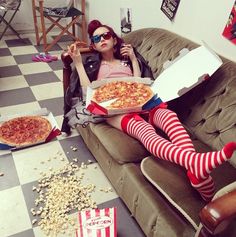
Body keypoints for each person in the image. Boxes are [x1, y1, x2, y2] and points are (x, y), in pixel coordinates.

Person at [65, 19, 236, 201]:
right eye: (97, 38)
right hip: (115, 109)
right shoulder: (95, 66)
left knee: (168, 115)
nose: (102, 39)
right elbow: (88, 91)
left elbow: (138, 82)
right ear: (94, 45)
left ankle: (196, 172)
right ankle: (194, 162)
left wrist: (132, 58)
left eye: (106, 35)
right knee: (145, 130)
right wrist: (78, 63)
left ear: (115, 40)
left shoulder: (126, 62)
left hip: (139, 99)